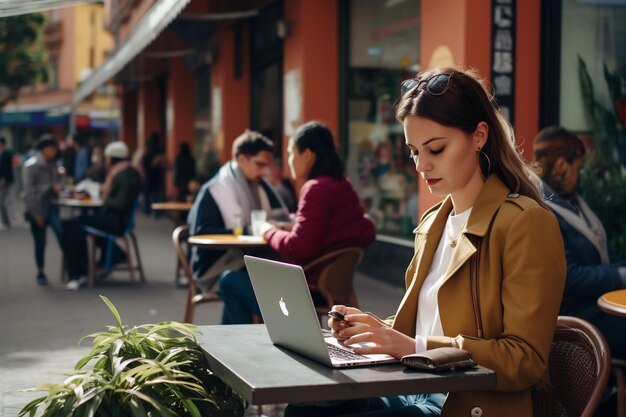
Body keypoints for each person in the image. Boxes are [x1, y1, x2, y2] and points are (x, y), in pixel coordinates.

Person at [286, 68, 567, 417]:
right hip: (412, 387)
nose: (422, 165)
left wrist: (410, 346)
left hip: (467, 403)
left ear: (479, 135)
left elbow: (524, 360)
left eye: (436, 148)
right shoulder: (433, 222)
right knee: (303, 409)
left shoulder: (524, 223)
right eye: (414, 151)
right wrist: (373, 328)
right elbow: (424, 326)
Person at [219, 121, 376, 324]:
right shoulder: (341, 184)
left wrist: (266, 230)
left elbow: (297, 246)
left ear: (308, 156)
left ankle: (241, 348)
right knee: (237, 280)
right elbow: (339, 226)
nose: (289, 160)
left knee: (230, 281)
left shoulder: (316, 188)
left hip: (305, 291)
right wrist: (295, 223)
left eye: (291, 153)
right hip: (327, 287)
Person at [533, 125, 626, 359]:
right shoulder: (542, 210)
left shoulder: (568, 201)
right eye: (579, 168)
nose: (579, 175)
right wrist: (620, 276)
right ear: (563, 164)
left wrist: (620, 269)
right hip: (574, 322)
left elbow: (601, 248)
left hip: (592, 311)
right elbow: (568, 277)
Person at [187, 130, 288, 289]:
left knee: (279, 271)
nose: (263, 172)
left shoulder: (260, 185)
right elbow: (202, 232)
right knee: (269, 281)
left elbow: (281, 216)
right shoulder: (215, 189)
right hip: (214, 265)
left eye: (265, 166)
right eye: (259, 164)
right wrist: (248, 230)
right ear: (241, 159)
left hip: (245, 258)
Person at [62, 141, 143, 290]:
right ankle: (110, 258)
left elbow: (120, 203)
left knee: (74, 225)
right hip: (116, 218)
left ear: (112, 158)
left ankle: (79, 272)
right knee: (76, 223)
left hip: (116, 221)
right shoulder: (127, 171)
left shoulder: (125, 175)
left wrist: (104, 198)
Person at [22, 135, 63, 285]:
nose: (53, 151)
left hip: (52, 207)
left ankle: (70, 270)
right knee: (40, 242)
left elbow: (57, 183)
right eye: (51, 149)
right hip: (37, 208)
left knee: (62, 235)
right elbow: (29, 193)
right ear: (43, 149)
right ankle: (40, 270)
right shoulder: (31, 165)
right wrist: (36, 214)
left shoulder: (54, 164)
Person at [141, 132, 167, 215]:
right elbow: (164, 164)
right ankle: (156, 212)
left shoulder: (146, 149)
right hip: (156, 175)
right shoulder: (159, 150)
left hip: (148, 175)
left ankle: (148, 210)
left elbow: (142, 163)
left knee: (148, 194)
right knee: (156, 194)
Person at [0, 137, 15, 229]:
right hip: (3, 180)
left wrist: (3, 179)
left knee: (3, 201)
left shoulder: (7, 154)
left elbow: (7, 168)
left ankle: (6, 221)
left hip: (5, 181)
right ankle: (6, 220)